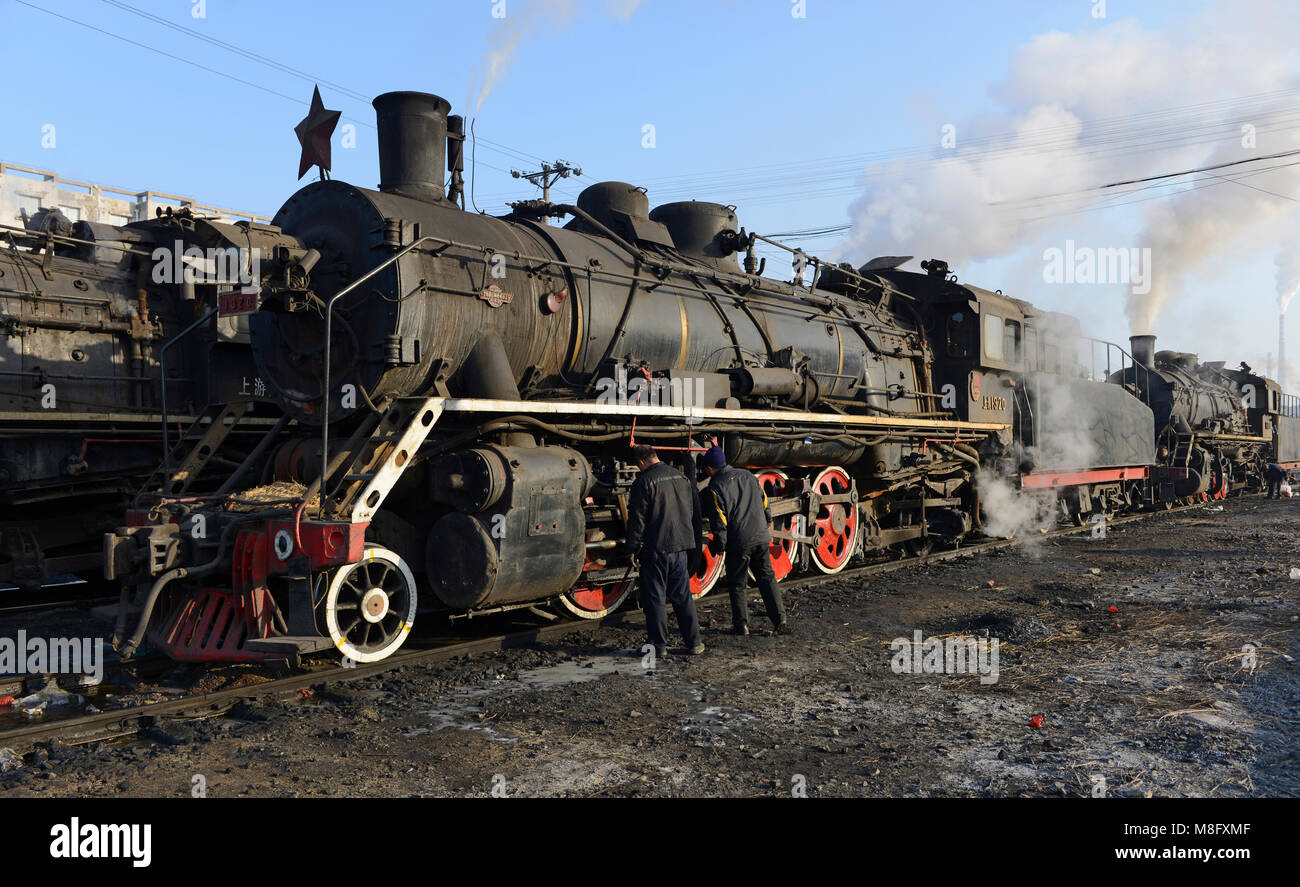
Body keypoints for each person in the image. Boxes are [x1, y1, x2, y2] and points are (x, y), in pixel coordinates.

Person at [624, 444, 705, 657]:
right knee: (682, 595)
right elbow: (689, 510)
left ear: (641, 462)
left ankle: (658, 646)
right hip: (681, 546)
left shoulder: (643, 482)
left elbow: (637, 519)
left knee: (655, 597)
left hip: (657, 547)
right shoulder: (680, 477)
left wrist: (631, 547)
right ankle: (694, 642)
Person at [701, 445, 788, 636]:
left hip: (739, 542)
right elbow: (765, 503)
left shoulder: (715, 487)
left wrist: (719, 546)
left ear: (709, 468)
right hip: (760, 537)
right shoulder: (749, 476)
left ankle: (741, 625)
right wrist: (765, 525)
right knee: (767, 578)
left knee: (738, 584)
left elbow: (720, 521)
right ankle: (780, 619)